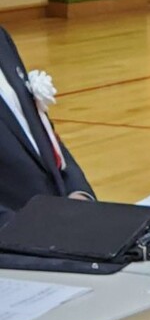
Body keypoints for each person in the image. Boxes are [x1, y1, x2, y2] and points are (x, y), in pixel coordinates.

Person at [0, 26, 93, 226]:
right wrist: (31, 228)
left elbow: (43, 133)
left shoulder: (2, 38)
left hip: (56, 228)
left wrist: (78, 192)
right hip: (19, 240)